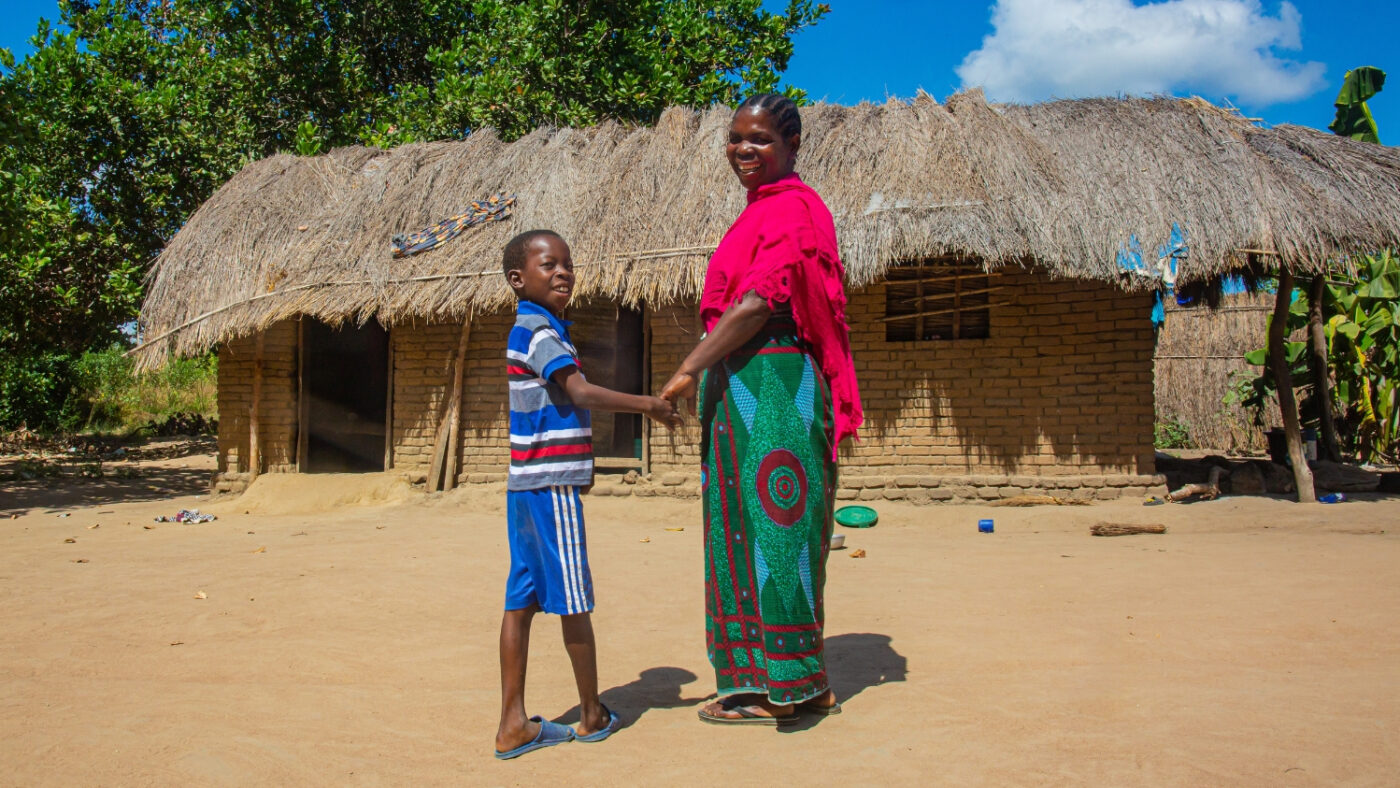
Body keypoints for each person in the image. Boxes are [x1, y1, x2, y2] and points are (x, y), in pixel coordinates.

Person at [660, 94, 863, 724]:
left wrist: (689, 368)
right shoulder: (753, 216)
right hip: (740, 394)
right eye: (734, 138)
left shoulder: (798, 211)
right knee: (735, 537)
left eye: (760, 140)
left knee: (781, 534)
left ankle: (802, 687)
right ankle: (750, 682)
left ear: (793, 146)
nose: (742, 149)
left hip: (778, 390)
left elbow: (755, 305)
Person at [495, 229, 680, 758]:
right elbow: (577, 392)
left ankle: (513, 723)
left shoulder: (534, 328)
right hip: (550, 490)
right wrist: (647, 404)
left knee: (521, 602)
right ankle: (593, 714)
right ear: (518, 278)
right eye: (549, 264)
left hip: (526, 489)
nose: (563, 273)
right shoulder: (538, 331)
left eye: (568, 264)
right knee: (574, 601)